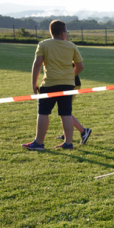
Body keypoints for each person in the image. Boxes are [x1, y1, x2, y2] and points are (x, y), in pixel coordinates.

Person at [22, 20, 85, 151]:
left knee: (43, 112)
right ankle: (68, 143)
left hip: (49, 83)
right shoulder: (71, 46)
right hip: (68, 85)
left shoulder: (43, 44)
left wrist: (34, 83)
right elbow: (80, 66)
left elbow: (37, 64)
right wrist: (70, 77)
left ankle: (39, 143)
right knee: (66, 113)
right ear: (63, 33)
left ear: (51, 32)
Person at [55, 64, 92, 145]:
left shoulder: (66, 52)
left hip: (71, 84)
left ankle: (83, 131)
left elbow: (78, 65)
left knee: (64, 111)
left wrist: (68, 78)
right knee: (63, 111)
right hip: (68, 84)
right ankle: (66, 135)